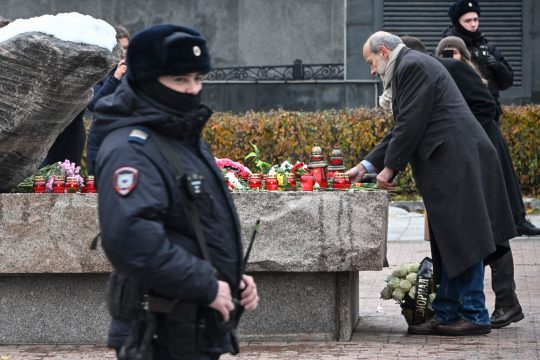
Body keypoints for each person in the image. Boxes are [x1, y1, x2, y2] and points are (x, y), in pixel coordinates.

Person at [93, 24, 259, 359]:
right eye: (179, 81)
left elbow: (194, 220)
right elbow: (131, 237)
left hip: (191, 322)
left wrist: (231, 277)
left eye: (198, 79)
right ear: (147, 81)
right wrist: (206, 283)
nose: (192, 90)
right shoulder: (132, 147)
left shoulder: (180, 135)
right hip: (157, 327)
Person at [348, 31, 517, 336]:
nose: (371, 70)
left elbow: (411, 123)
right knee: (448, 241)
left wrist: (387, 171)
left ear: (383, 52)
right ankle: (448, 311)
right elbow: (404, 126)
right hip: (451, 163)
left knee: (464, 237)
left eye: (371, 62)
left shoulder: (411, 66)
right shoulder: (411, 65)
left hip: (456, 163)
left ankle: (474, 314)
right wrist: (366, 165)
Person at [443, 0, 513, 119]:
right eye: (468, 20)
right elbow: (445, 83)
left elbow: (507, 82)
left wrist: (497, 66)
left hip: (490, 114)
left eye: (475, 19)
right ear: (457, 22)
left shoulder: (487, 46)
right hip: (463, 113)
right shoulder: (449, 46)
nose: (473, 24)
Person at [86, 25, 130, 176]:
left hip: (127, 142)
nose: (124, 52)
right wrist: (115, 78)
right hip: (101, 141)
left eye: (126, 47)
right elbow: (94, 105)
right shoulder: (100, 73)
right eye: (120, 48)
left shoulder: (135, 74)